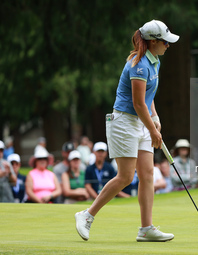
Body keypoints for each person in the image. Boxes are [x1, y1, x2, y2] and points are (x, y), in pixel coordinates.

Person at [75, 20, 179, 242]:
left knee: (147, 174)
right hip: (123, 122)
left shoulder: (155, 61)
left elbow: (148, 100)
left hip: (142, 121)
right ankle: (86, 215)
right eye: (164, 42)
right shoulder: (139, 65)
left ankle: (146, 229)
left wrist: (155, 118)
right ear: (153, 42)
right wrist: (153, 130)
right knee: (125, 176)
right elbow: (138, 102)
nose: (168, 45)